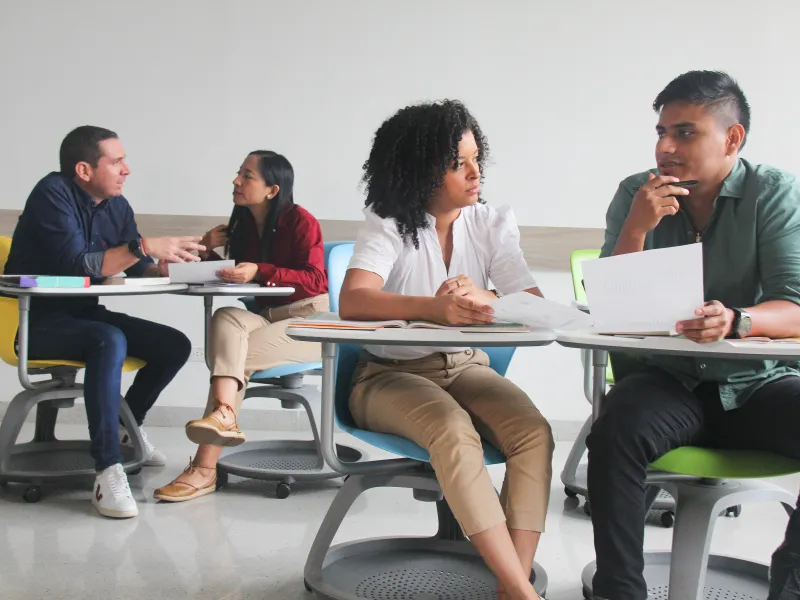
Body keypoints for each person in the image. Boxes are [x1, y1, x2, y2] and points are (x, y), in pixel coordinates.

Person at [587, 70, 800, 600]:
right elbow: (609, 312)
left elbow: (794, 306)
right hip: (668, 382)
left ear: (732, 139)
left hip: (757, 384)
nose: (665, 147)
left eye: (685, 133)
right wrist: (637, 227)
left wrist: (737, 320)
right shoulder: (635, 194)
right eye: (661, 132)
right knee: (615, 431)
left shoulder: (773, 195)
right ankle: (620, 593)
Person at [338, 100, 553, 600]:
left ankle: (512, 587)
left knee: (533, 433)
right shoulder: (388, 222)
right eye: (459, 163)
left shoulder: (489, 222)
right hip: (386, 377)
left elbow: (533, 305)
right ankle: (523, 592)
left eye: (477, 157)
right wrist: (432, 308)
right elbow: (354, 299)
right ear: (420, 170)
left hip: (464, 367)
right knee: (455, 433)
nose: (476, 172)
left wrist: (488, 298)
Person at [4, 125, 201, 519]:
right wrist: (142, 247)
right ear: (83, 169)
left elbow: (135, 263)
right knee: (107, 339)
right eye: (116, 161)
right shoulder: (51, 195)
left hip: (85, 316)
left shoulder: (117, 205)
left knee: (174, 344)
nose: (126, 169)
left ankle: (129, 426)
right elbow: (79, 265)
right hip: (36, 324)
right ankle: (107, 469)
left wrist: (167, 262)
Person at [153, 150, 329, 502]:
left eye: (247, 176)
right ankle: (225, 418)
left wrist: (260, 270)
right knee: (227, 318)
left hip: (309, 320)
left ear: (272, 190)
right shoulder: (242, 223)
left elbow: (315, 279)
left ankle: (204, 469)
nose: (236, 181)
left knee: (233, 359)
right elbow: (231, 276)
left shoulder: (302, 221)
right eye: (239, 173)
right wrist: (205, 249)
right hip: (265, 317)